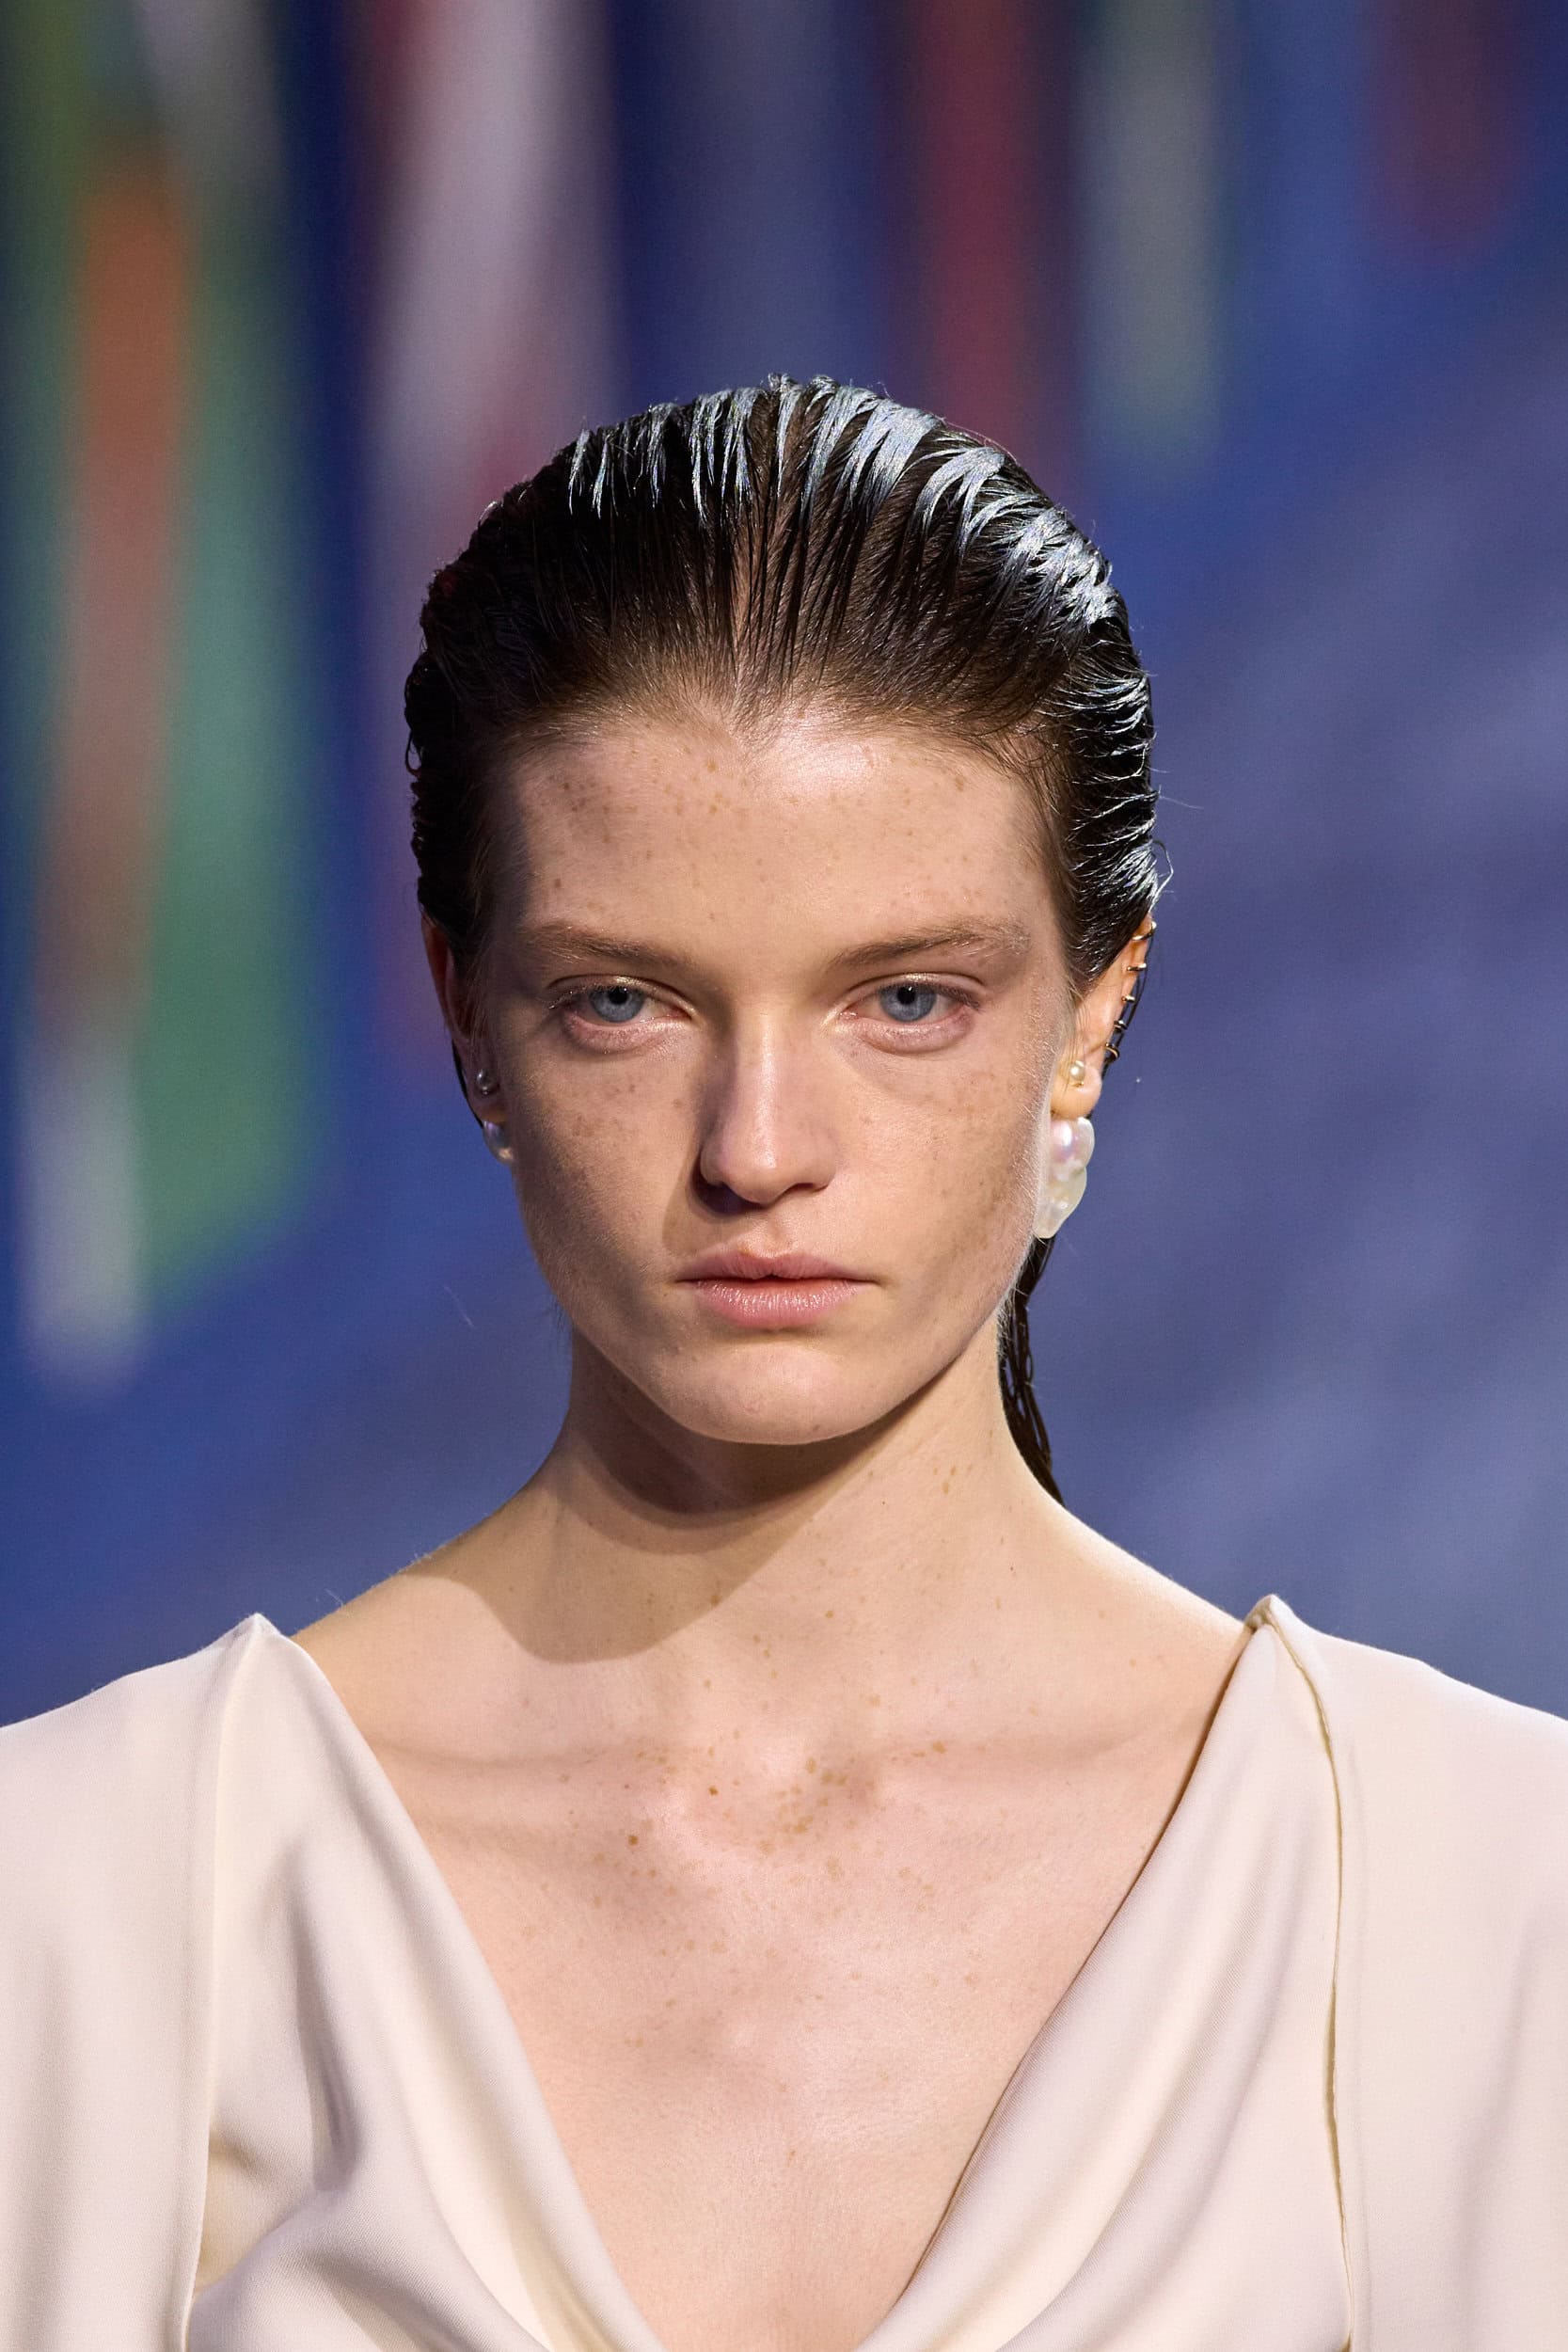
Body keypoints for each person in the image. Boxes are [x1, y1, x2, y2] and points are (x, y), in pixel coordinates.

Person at [2, 376, 1566, 2352]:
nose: (757, 1149)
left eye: (904, 999)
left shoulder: (1477, 1895)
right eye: (624, 1001)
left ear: (1094, 1012)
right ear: (466, 1013)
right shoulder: (80, 1906)